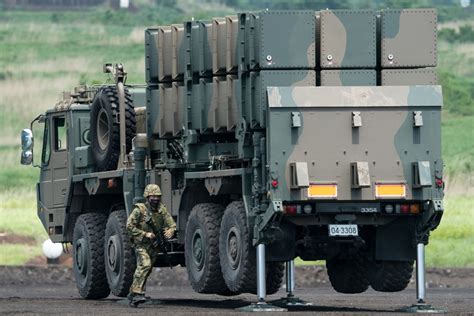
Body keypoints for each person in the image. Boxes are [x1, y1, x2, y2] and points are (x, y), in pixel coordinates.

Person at [126, 184, 176, 307]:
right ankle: (137, 293)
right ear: (147, 196)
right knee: (145, 264)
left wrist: (171, 230)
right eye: (153, 196)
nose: (155, 199)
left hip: (154, 245)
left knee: (147, 270)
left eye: (157, 196)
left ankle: (133, 292)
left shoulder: (161, 210)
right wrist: (144, 234)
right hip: (141, 243)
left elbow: (171, 223)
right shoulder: (140, 210)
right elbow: (129, 226)